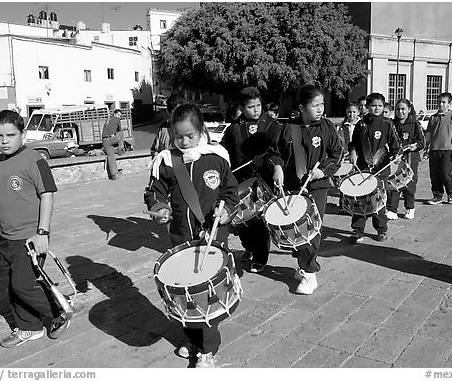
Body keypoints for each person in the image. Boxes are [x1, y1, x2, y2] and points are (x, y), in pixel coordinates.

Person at [144, 103, 238, 368]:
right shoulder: (166, 161)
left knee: (205, 291)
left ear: (202, 132)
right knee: (183, 290)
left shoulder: (217, 157)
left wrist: (227, 210)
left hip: (213, 235)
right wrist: (159, 209)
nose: (184, 142)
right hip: (181, 236)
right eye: (178, 136)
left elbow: (230, 193)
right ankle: (191, 339)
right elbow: (154, 193)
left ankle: (208, 349)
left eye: (190, 136)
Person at [0, 110, 71, 348]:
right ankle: (29, 328)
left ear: (22, 134)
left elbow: (47, 195)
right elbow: (2, 197)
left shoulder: (35, 160)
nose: (4, 141)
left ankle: (61, 309)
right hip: (5, 237)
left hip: (30, 238)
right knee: (12, 287)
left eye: (10, 135)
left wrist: (42, 232)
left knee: (23, 285)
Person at [269, 85, 343, 294]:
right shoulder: (287, 128)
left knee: (311, 230)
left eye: (322, 104)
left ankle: (310, 272)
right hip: (293, 185)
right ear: (301, 108)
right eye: (315, 105)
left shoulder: (327, 126)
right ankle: (302, 263)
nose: (320, 109)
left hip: (317, 186)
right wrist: (277, 167)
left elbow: (336, 153)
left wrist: (324, 171)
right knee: (294, 228)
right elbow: (275, 152)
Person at [220, 86, 278, 273]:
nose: (256, 110)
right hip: (239, 179)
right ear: (241, 107)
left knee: (259, 220)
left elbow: (278, 150)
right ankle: (249, 247)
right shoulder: (234, 128)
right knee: (241, 220)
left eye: (258, 105)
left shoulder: (271, 124)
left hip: (263, 181)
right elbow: (225, 151)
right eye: (251, 107)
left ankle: (261, 256)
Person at [348, 92, 401, 243]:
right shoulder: (361, 124)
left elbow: (396, 145)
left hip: (381, 168)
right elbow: (354, 143)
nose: (377, 109)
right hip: (363, 168)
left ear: (384, 107)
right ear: (367, 107)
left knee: (379, 201)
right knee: (361, 199)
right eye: (373, 106)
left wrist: (396, 155)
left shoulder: (387, 124)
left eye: (380, 106)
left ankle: (381, 229)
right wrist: (352, 151)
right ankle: (358, 229)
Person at [385, 98, 425, 220]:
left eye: (403, 109)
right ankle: (392, 209)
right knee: (394, 183)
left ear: (409, 109)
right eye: (397, 109)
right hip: (396, 159)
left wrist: (415, 146)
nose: (400, 112)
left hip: (411, 158)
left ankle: (409, 207)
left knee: (409, 184)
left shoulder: (415, 123)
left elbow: (422, 142)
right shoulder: (391, 124)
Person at [425, 92, 452, 205]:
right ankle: (437, 195)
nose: (441, 104)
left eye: (443, 102)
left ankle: (450, 193)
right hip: (434, 149)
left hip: (447, 149)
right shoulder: (433, 118)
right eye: (439, 102)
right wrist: (427, 147)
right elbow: (429, 134)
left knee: (445, 173)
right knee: (434, 174)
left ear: (449, 104)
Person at [102, 109, 124, 180]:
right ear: (114, 114)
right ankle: (120, 149)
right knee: (121, 133)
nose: (119, 117)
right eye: (118, 115)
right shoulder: (117, 120)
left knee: (111, 156)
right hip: (112, 139)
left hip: (105, 140)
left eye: (120, 116)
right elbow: (119, 129)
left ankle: (114, 175)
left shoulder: (107, 120)